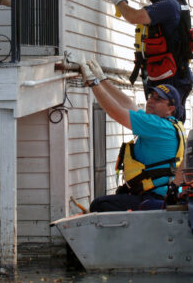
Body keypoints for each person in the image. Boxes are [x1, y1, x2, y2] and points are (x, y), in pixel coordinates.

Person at [79, 59, 186, 212]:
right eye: (151, 96)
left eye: (158, 99)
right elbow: (129, 106)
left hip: (154, 198)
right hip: (163, 196)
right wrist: (103, 80)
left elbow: (116, 112)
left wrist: (93, 83)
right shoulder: (171, 125)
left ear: (171, 109)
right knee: (117, 197)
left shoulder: (157, 126)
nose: (151, 101)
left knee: (99, 205)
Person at [101, 0, 193, 121]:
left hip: (172, 79)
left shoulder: (169, 6)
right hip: (171, 74)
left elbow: (134, 17)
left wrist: (119, 0)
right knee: (159, 122)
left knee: (164, 124)